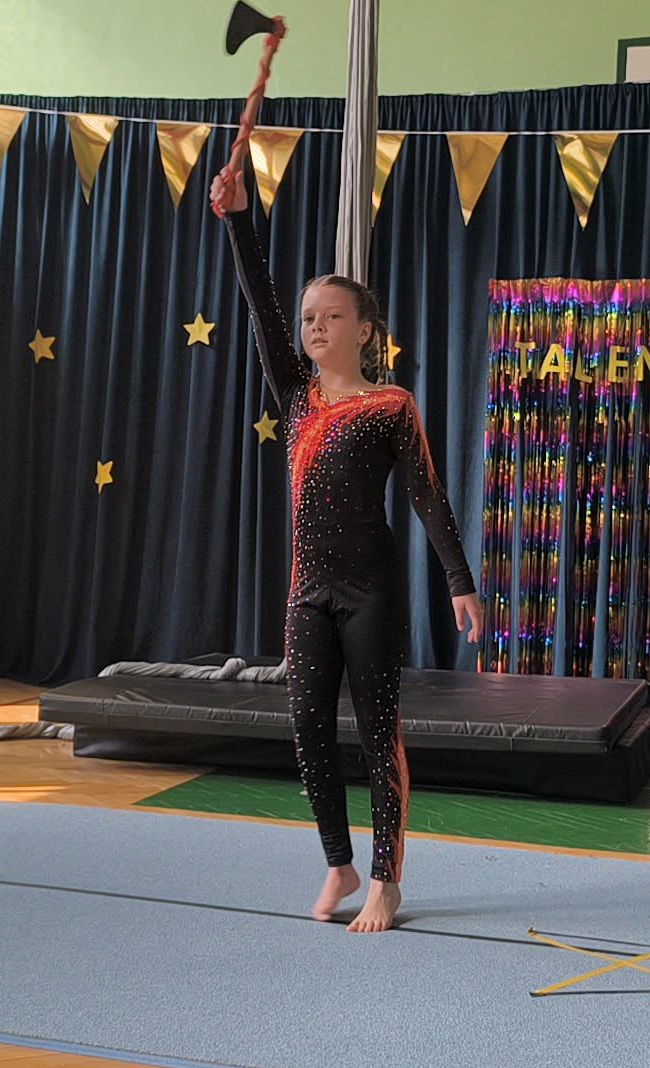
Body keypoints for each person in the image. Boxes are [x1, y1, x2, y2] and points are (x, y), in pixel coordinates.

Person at [211, 167, 482, 934]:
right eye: (309, 318)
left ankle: (387, 880)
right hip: (308, 590)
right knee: (306, 727)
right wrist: (239, 221)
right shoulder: (297, 397)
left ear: (364, 330)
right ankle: (339, 861)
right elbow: (260, 306)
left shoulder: (391, 405)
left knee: (376, 731)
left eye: (332, 316)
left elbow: (428, 495)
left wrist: (459, 581)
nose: (315, 327)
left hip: (370, 589)